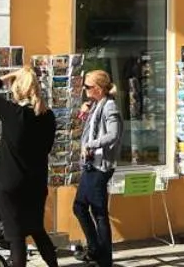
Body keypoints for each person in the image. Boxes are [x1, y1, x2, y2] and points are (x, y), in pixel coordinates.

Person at [0, 68, 60, 267]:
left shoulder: (13, 113)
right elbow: (47, 148)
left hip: (10, 183)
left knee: (16, 237)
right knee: (37, 230)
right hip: (36, 183)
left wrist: (9, 75)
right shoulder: (48, 117)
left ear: (17, 89)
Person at [73, 69, 122, 267]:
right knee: (80, 206)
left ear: (99, 89)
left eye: (88, 87)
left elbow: (113, 135)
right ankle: (95, 250)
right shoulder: (97, 105)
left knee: (98, 212)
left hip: (100, 166)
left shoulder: (109, 107)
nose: (85, 90)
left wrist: (91, 145)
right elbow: (91, 128)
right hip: (91, 164)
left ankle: (103, 258)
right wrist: (85, 113)